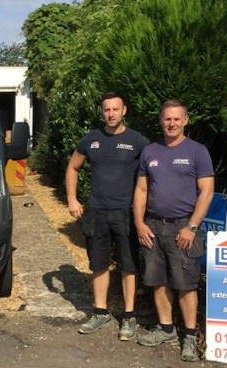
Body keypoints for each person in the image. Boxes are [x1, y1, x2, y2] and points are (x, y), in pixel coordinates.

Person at [132, 99, 214, 362]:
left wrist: (191, 226)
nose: (172, 123)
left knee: (186, 284)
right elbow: (142, 190)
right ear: (161, 121)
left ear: (186, 120)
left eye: (176, 119)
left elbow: (207, 192)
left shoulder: (197, 151)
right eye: (167, 118)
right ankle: (166, 328)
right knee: (158, 280)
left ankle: (189, 336)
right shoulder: (150, 152)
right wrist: (139, 223)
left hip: (183, 227)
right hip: (153, 226)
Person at [65, 92, 149, 339]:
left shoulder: (138, 141)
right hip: (97, 212)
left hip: (125, 212)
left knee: (128, 264)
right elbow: (72, 167)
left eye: (115, 109)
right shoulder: (91, 139)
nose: (111, 114)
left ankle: (129, 317)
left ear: (124, 111)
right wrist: (72, 198)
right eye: (106, 110)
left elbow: (152, 172)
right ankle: (101, 313)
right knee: (98, 264)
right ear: (102, 112)